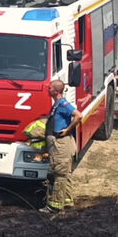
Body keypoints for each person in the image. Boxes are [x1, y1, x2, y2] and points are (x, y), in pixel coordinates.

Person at [41, 80, 82, 214]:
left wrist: (68, 129)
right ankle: (67, 201)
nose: (48, 89)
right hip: (57, 144)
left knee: (59, 174)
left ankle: (55, 206)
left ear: (56, 91)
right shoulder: (56, 105)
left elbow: (78, 115)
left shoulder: (63, 104)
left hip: (61, 144)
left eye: (50, 87)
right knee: (65, 174)